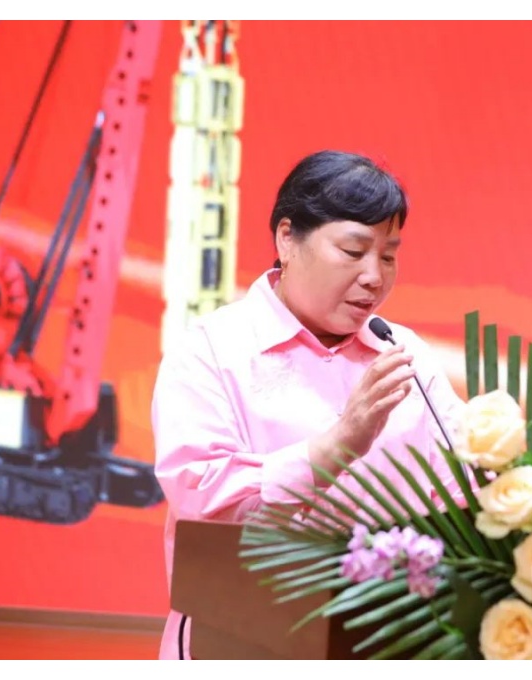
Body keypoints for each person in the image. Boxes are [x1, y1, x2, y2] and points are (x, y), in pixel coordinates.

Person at [150, 150, 466, 659]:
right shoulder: (210, 350)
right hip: (240, 643)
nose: (374, 276)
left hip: (388, 643)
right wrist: (339, 444)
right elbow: (203, 502)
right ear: (287, 238)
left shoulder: (402, 354)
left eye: (388, 256)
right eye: (353, 250)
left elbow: (463, 487)